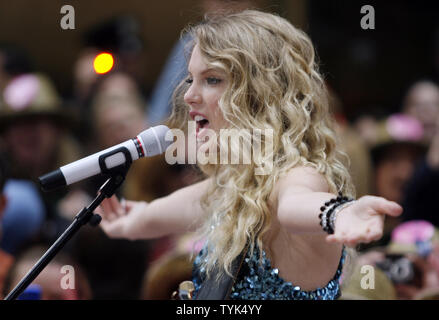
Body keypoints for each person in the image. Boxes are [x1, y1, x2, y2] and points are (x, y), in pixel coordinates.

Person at [96, 10, 402, 300]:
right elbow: (182, 206)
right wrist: (133, 220)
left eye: (212, 79)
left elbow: (297, 205)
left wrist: (338, 213)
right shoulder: (238, 186)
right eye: (191, 79)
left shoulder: (298, 177)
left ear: (259, 95)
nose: (189, 95)